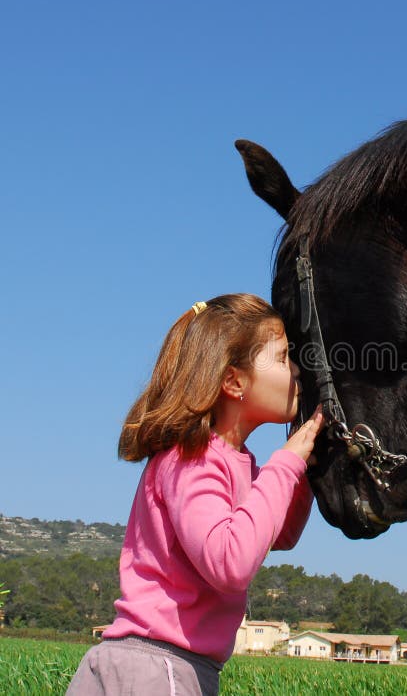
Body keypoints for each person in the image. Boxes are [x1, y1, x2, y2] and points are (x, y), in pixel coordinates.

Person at [67, 293, 324, 695]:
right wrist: (286, 464)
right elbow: (230, 562)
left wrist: (303, 467)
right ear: (234, 381)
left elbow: (279, 533)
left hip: (152, 665)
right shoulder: (193, 457)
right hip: (158, 669)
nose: (296, 370)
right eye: (282, 357)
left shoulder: (230, 460)